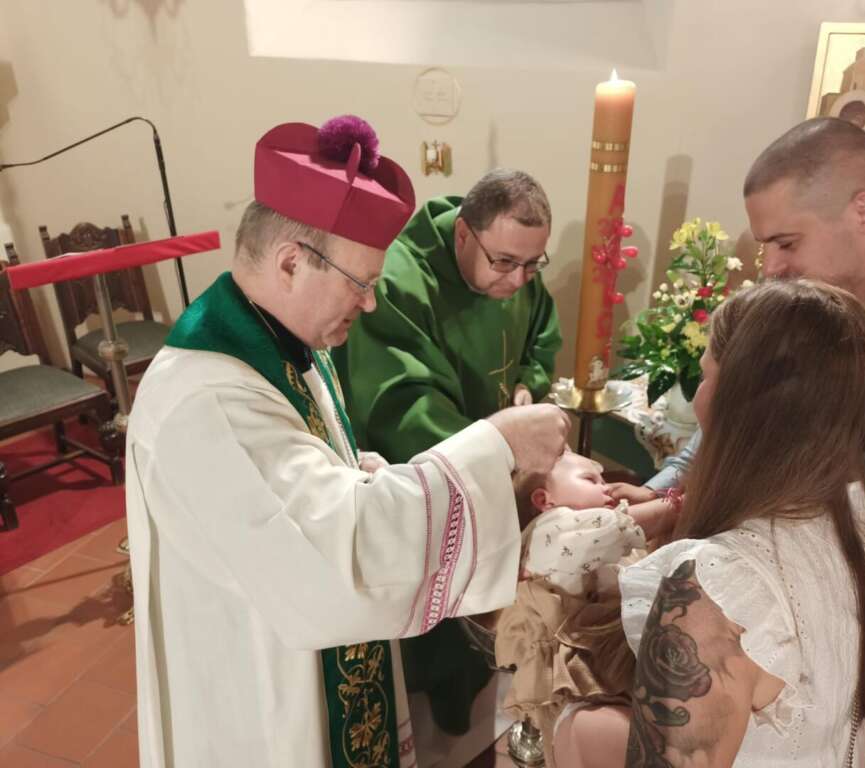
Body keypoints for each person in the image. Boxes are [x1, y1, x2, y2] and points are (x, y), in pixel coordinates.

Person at [125, 115, 569, 768]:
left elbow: (305, 482)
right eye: (360, 282)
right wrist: (497, 445)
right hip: (258, 687)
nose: (369, 304)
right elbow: (336, 552)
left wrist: (359, 469)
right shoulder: (208, 399)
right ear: (290, 263)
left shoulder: (285, 342)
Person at [621, 117, 865, 767]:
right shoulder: (785, 308)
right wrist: (654, 496)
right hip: (740, 632)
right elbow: (734, 425)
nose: (770, 268)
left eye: (785, 242)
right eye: (765, 247)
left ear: (864, 211)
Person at [615, 278, 865, 768]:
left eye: (705, 375)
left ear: (740, 407)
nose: (698, 397)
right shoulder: (850, 512)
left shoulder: (714, 586)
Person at [334, 169, 562, 755]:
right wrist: (502, 453)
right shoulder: (401, 283)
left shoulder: (516, 266)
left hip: (499, 467)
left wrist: (528, 383)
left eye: (532, 264)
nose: (519, 280)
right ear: (463, 234)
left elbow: (541, 332)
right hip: (439, 475)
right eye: (504, 262)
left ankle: (473, 692)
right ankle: (431, 705)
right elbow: (402, 402)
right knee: (437, 614)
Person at [495, 452, 678, 765]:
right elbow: (618, 527)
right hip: (577, 667)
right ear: (545, 500)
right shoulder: (551, 529)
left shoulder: (588, 534)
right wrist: (674, 505)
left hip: (599, 658)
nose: (606, 486)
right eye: (590, 479)